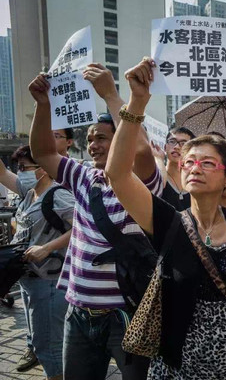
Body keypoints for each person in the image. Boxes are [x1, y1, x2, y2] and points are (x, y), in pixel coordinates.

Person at [105, 58, 226, 379]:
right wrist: (136, 101)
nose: (194, 167)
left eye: (208, 163)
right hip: (175, 367)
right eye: (189, 161)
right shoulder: (167, 220)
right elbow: (117, 175)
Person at [28, 61, 163, 380]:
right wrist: (44, 106)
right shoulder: (83, 175)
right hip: (78, 314)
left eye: (103, 137)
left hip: (127, 317)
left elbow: (141, 148)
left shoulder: (143, 180)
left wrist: (113, 96)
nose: (93, 144)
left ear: (123, 135)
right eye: (90, 138)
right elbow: (43, 152)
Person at [0, 128, 73, 374]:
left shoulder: (59, 195)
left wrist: (47, 248)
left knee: (50, 346)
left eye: (25, 167)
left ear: (42, 168)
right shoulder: (28, 193)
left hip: (50, 281)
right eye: (18, 167)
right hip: (29, 280)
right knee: (41, 342)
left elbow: (85, 227)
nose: (20, 172)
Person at [154, 126, 195, 210]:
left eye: (183, 143)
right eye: (172, 141)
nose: (176, 146)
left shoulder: (194, 181)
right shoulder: (157, 175)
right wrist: (159, 159)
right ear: (165, 147)